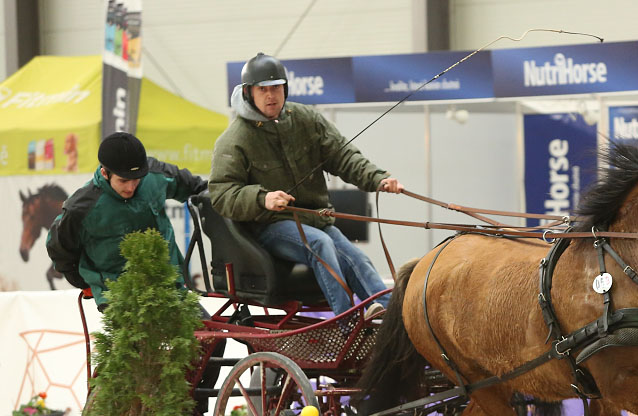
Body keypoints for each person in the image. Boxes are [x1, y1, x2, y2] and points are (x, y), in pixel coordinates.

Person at [208, 52, 400, 320]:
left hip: (314, 219)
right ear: (249, 92)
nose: (271, 95)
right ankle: (346, 324)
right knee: (320, 244)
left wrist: (377, 178)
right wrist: (262, 198)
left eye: (276, 87)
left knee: (356, 257)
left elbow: (343, 155)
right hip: (268, 226)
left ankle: (391, 318)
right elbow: (221, 193)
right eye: (263, 89)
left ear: (285, 88)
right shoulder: (233, 140)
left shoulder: (306, 119)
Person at [46, 132, 208, 309]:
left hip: (168, 284)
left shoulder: (154, 174)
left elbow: (198, 189)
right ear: (104, 173)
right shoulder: (81, 207)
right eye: (123, 181)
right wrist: (84, 283)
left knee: (214, 337)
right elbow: (58, 247)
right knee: (145, 337)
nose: (131, 187)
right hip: (117, 296)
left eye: (136, 180)